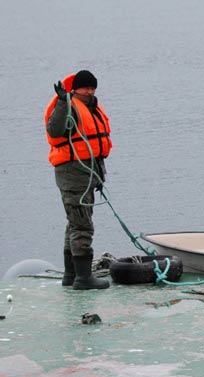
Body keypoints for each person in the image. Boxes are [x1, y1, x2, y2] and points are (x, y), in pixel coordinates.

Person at [45, 70, 112, 290]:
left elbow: (94, 147)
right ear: (75, 89)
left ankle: (71, 275)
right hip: (72, 174)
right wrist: (63, 102)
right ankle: (83, 278)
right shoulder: (67, 106)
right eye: (85, 88)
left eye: (92, 88)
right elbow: (55, 131)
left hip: (86, 174)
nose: (89, 92)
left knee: (74, 223)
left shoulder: (91, 107)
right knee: (82, 226)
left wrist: (98, 177)